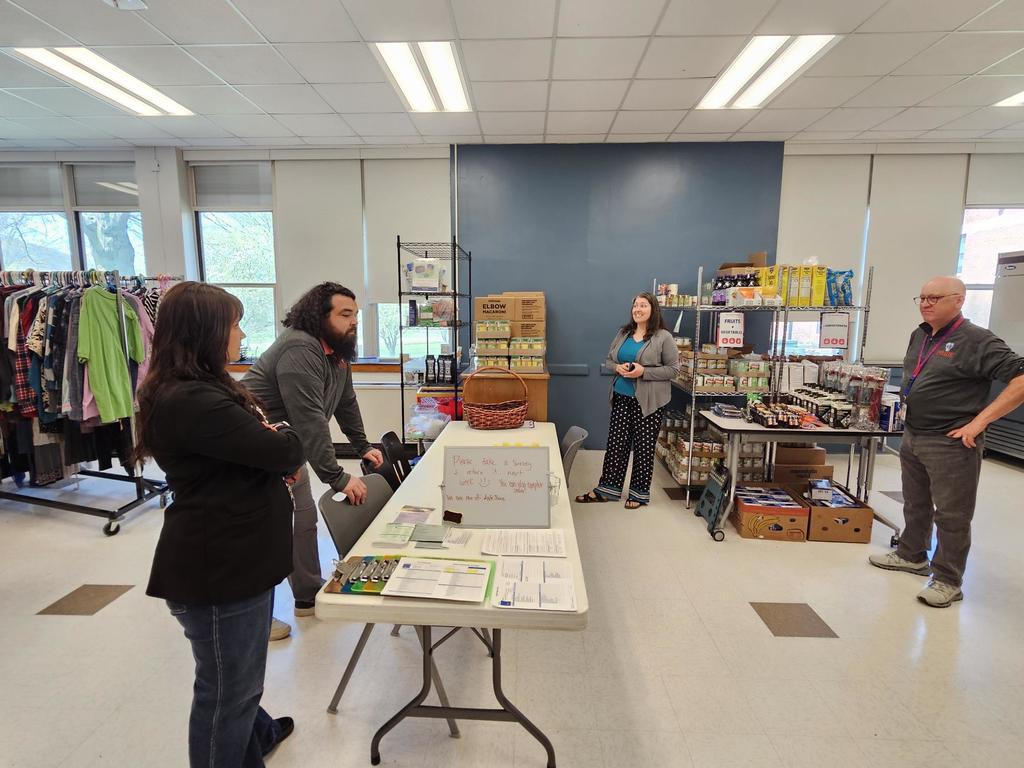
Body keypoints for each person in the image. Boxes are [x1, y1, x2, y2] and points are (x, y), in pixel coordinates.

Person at [139, 282, 304, 766]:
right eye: (233, 325)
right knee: (225, 694)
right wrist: (281, 439)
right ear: (206, 331)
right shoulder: (192, 400)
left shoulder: (207, 388)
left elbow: (264, 447)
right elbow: (284, 448)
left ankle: (258, 734)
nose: (240, 333)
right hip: (218, 570)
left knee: (241, 678)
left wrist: (272, 445)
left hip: (237, 559)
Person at [869, 276, 1024, 607]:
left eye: (935, 297)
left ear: (959, 301)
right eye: (922, 297)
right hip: (915, 434)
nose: (926, 303)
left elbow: (1021, 379)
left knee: (952, 515)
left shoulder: (978, 341)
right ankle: (912, 556)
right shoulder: (921, 335)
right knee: (915, 503)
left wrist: (980, 422)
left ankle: (948, 580)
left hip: (952, 441)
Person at [243, 282, 384, 639]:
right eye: (345, 314)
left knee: (302, 522)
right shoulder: (299, 348)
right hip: (251, 452)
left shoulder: (336, 351)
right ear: (320, 317)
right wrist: (337, 477)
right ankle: (250, 618)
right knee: (262, 532)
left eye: (356, 315)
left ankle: (307, 596)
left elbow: (345, 402)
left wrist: (362, 445)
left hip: (284, 449)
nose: (353, 322)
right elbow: (310, 419)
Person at [576, 292, 680, 509]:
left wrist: (644, 371)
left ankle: (639, 494)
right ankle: (608, 489)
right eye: (635, 306)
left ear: (653, 309)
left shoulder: (663, 337)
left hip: (649, 402)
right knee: (616, 445)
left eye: (643, 305)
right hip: (622, 397)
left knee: (643, 448)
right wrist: (617, 367)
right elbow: (609, 360)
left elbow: (673, 370)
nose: (638, 309)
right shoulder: (623, 333)